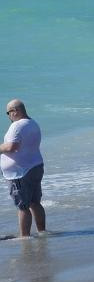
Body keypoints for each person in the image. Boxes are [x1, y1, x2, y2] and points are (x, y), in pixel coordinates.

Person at [1, 100, 46, 238]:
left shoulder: (17, 126)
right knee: (35, 203)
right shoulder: (33, 123)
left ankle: (24, 237)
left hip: (20, 172)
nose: (8, 116)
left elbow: (11, 147)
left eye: (8, 113)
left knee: (23, 206)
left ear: (15, 111)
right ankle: (42, 232)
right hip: (35, 166)